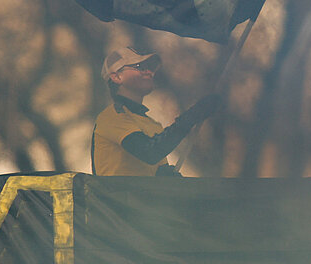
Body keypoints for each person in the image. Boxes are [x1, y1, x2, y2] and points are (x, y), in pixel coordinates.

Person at [92, 48, 219, 177]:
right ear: (117, 77)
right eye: (139, 67)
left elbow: (152, 164)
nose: (149, 72)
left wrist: (165, 180)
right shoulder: (111, 117)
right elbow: (149, 152)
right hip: (114, 197)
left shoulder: (153, 125)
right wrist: (192, 116)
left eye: (150, 68)